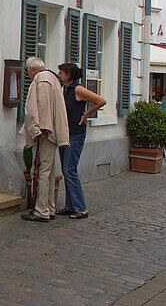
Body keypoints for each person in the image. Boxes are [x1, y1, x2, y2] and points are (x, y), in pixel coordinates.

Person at [21, 57, 69, 223]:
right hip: (53, 132)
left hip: (45, 133)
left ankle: (41, 211)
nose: (29, 74)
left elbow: (37, 108)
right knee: (48, 172)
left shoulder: (40, 79)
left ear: (32, 69)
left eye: (28, 71)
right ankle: (49, 207)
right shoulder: (53, 78)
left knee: (40, 171)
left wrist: (37, 129)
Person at [55, 62, 105, 220]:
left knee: (70, 170)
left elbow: (100, 101)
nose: (59, 74)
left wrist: (86, 114)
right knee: (66, 170)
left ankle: (81, 208)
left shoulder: (77, 89)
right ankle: (70, 206)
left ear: (68, 74)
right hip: (65, 133)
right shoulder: (65, 89)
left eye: (61, 72)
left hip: (75, 134)